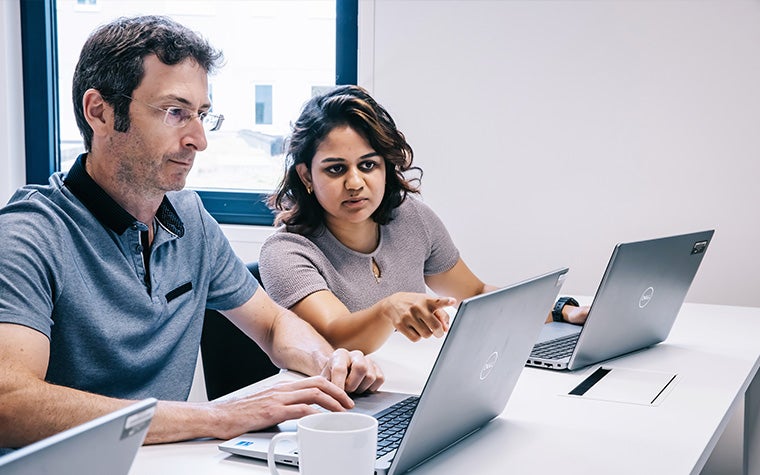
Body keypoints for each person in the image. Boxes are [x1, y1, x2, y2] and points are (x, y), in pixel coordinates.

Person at [0, 16, 383, 451]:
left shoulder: (190, 218)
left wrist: (329, 365)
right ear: (100, 112)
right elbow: (9, 402)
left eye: (201, 115)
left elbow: (274, 324)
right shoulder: (27, 236)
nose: (198, 139)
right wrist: (218, 417)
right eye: (175, 112)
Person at [260, 85, 588, 355]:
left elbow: (475, 294)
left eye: (368, 165)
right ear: (306, 175)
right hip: (335, 409)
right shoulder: (286, 251)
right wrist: (389, 309)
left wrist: (559, 310)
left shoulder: (410, 217)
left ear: (386, 166)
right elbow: (334, 337)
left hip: (412, 386)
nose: (355, 183)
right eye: (335, 169)